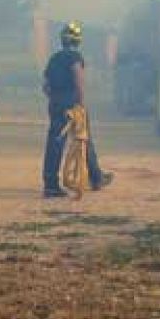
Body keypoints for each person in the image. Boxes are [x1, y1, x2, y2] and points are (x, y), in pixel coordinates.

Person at [41, 22, 112, 198]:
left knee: (54, 144)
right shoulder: (75, 57)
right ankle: (96, 178)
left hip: (56, 104)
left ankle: (50, 184)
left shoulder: (54, 58)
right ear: (78, 41)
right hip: (72, 106)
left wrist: (55, 99)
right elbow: (79, 79)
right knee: (84, 139)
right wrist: (80, 103)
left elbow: (45, 86)